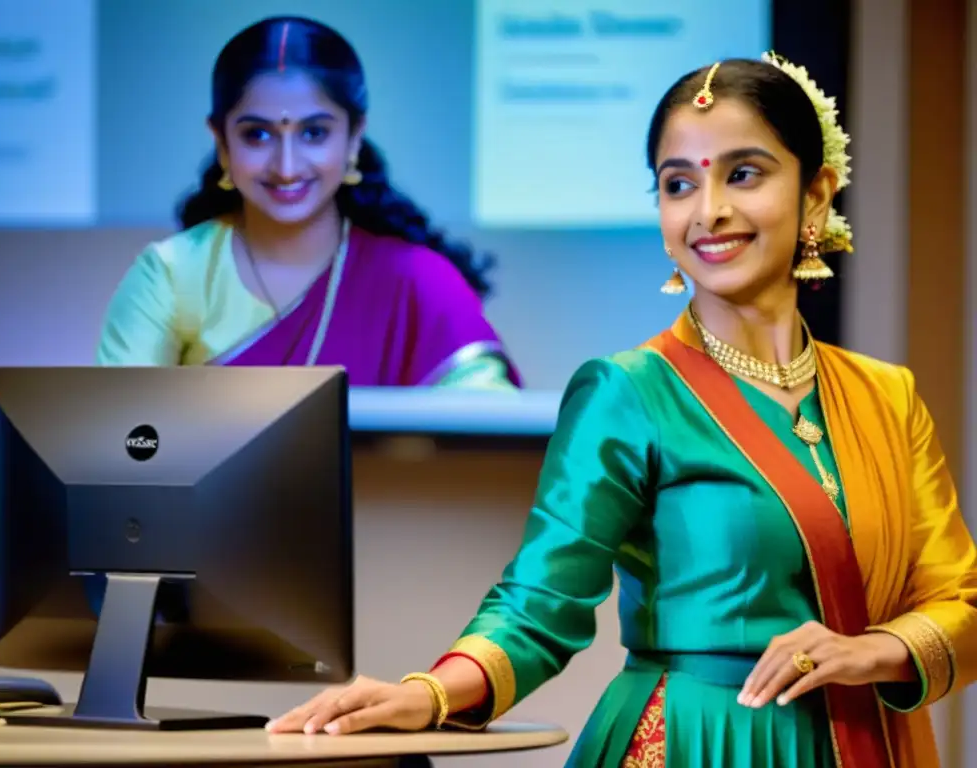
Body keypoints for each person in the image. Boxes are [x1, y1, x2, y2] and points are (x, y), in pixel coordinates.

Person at [264, 54, 977, 767]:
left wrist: (870, 652)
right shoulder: (627, 390)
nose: (709, 210)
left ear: (817, 192)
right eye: (678, 184)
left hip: (867, 742)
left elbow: (961, 602)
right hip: (703, 743)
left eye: (744, 173)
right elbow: (541, 600)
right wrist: (432, 693)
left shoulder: (886, 396)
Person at [95, 16, 521, 390]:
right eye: (257, 135)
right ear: (221, 142)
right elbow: (120, 438)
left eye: (314, 133)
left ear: (354, 137)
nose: (286, 166)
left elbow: (485, 433)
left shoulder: (416, 281)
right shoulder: (172, 276)